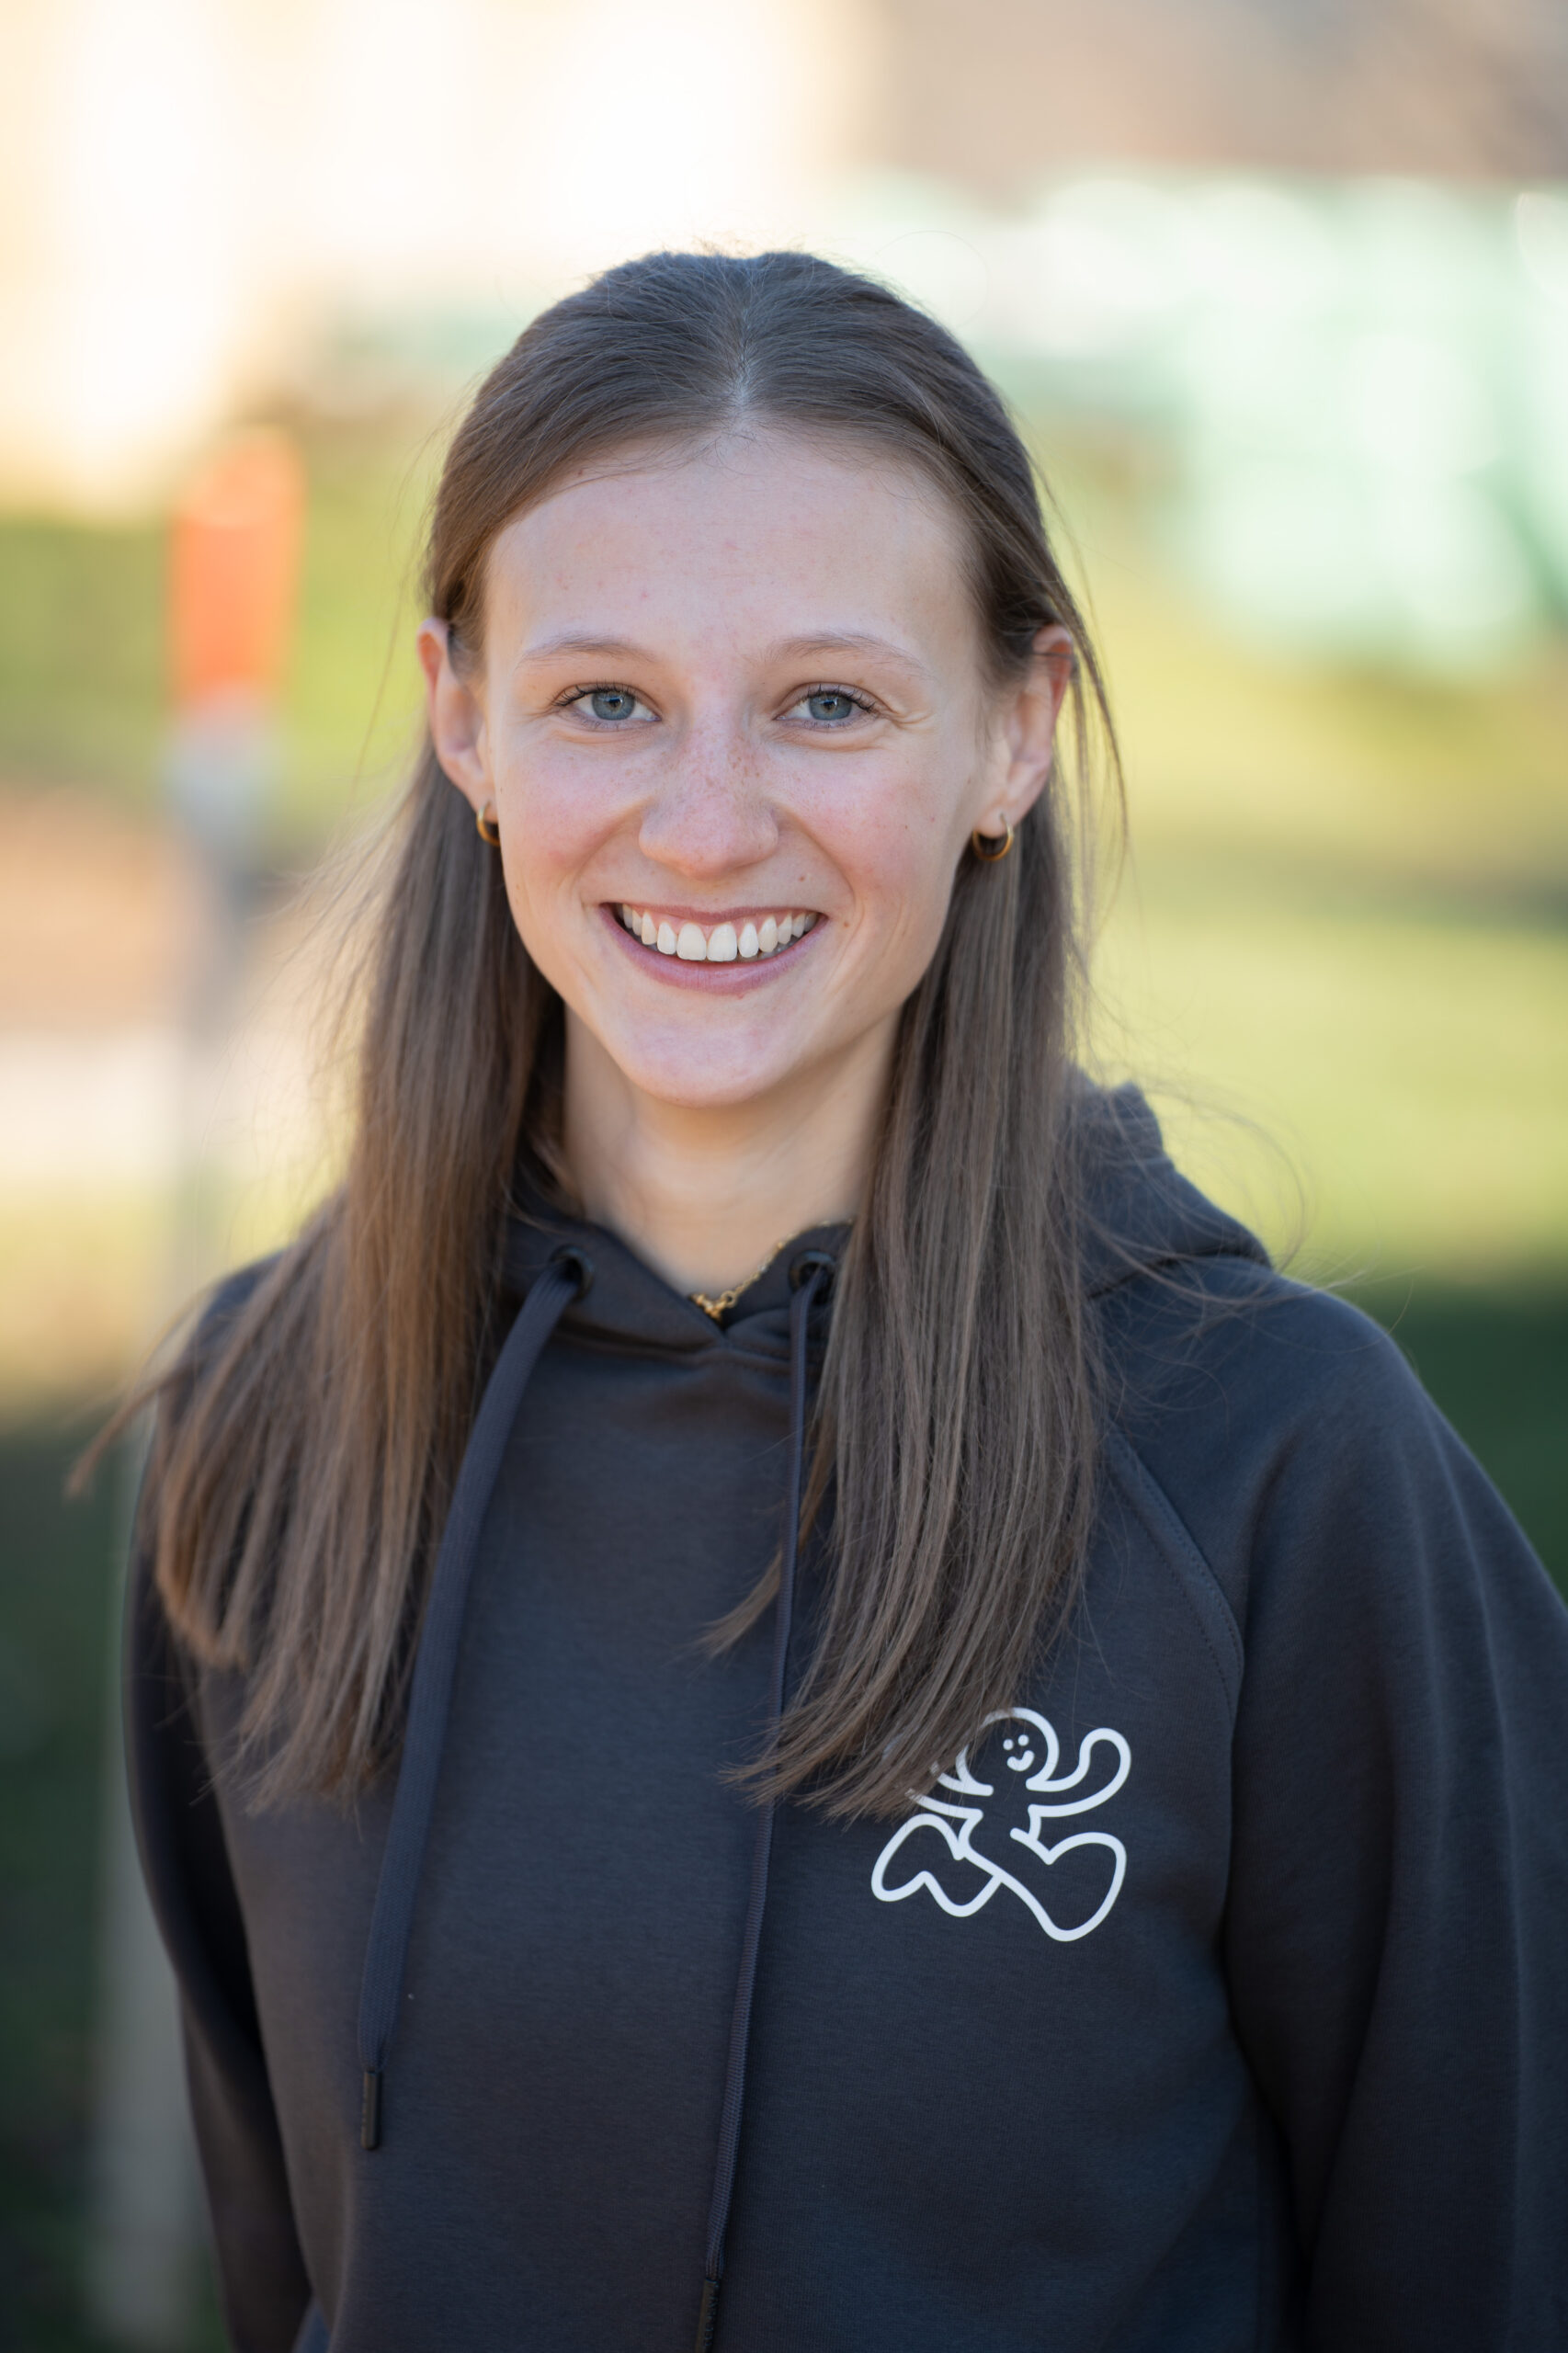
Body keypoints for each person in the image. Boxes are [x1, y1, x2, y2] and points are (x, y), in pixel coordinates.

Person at [121, 250, 1568, 2353]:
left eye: (827, 701)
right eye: (604, 696)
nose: (705, 829)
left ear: (1011, 732)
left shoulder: (1278, 1466)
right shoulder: (274, 1415)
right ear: (464, 718)